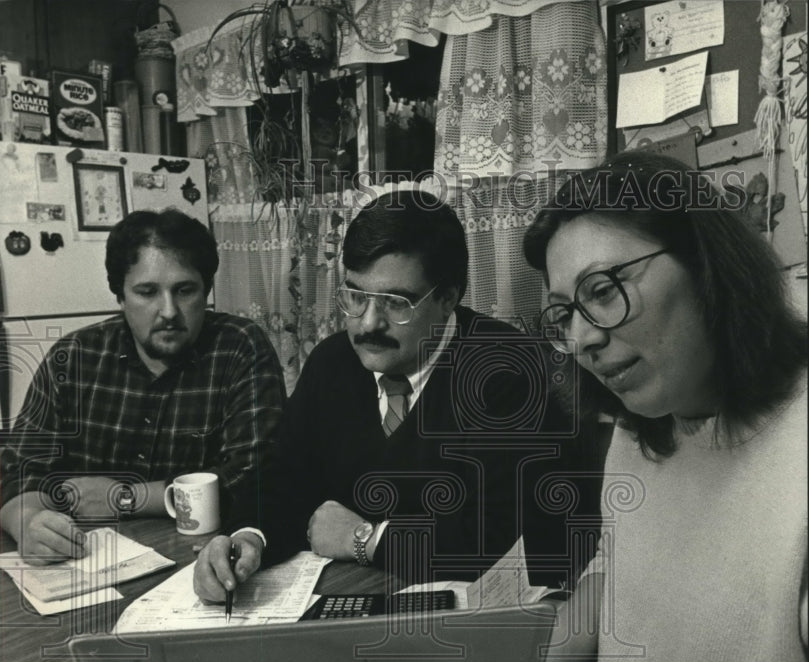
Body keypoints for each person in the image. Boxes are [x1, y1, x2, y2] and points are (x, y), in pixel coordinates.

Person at [389, 151, 807, 662]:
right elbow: (627, 568)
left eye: (604, 291)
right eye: (561, 314)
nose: (580, 336)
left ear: (705, 263)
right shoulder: (647, 420)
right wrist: (536, 649)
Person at [194, 189, 597, 600]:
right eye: (355, 296)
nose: (368, 323)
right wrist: (248, 538)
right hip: (354, 598)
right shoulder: (332, 362)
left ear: (447, 299)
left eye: (395, 303)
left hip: (473, 622)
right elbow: (281, 478)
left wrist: (364, 538)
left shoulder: (509, 371)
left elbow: (504, 540)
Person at [0, 208, 285, 564]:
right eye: (147, 292)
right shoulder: (73, 357)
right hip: (84, 566)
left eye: (184, 290)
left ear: (206, 290)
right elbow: (16, 470)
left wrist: (125, 497)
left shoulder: (240, 346)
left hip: (200, 564)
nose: (168, 311)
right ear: (119, 296)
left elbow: (255, 478)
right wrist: (26, 522)